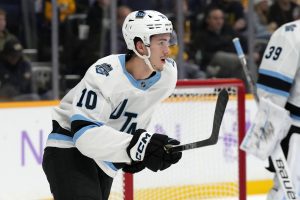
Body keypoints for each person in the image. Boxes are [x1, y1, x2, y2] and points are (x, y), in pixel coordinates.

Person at [42, 10, 182, 200]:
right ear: (141, 47)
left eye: (168, 41)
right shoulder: (105, 73)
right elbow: (84, 135)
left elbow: (139, 115)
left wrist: (139, 153)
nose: (168, 50)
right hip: (68, 147)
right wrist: (136, 145)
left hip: (105, 159)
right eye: (161, 43)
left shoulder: (167, 76)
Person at [254, 19, 300, 199]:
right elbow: (272, 92)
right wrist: (269, 136)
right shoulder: (291, 33)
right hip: (296, 133)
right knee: (286, 192)